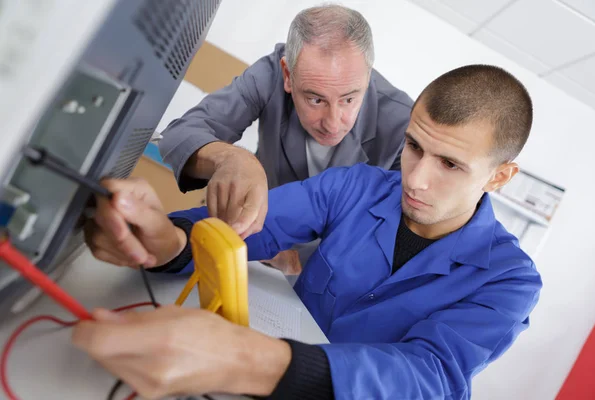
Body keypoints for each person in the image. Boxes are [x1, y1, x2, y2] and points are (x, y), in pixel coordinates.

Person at [75, 65, 542, 400]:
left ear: (500, 176)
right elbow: (250, 227)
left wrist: (248, 360)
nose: (416, 179)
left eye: (450, 165)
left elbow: (431, 375)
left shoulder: (509, 280)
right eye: (414, 147)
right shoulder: (354, 186)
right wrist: (168, 241)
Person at [158, 4, 413, 272]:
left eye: (349, 99)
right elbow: (179, 135)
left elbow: (389, 234)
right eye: (315, 99)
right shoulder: (270, 74)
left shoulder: (402, 124)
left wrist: (300, 261)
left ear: (367, 75)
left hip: (324, 272)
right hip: (247, 240)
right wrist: (230, 158)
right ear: (288, 75)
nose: (333, 122)